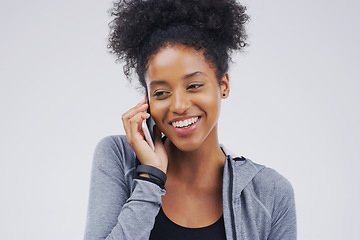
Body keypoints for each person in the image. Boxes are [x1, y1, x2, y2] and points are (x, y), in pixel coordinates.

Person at [84, 0, 297, 239]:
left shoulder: (271, 192)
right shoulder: (119, 158)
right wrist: (151, 178)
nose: (179, 106)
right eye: (161, 93)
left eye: (194, 85)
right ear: (146, 100)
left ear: (223, 85)